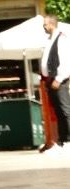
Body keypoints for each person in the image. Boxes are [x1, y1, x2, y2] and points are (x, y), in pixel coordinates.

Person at [40, 15, 70, 153]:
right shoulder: (50, 40)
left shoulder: (62, 38)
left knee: (65, 111)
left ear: (52, 24)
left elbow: (66, 60)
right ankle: (63, 140)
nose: (44, 27)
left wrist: (59, 78)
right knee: (58, 112)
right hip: (50, 80)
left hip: (59, 80)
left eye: (45, 24)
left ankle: (68, 140)